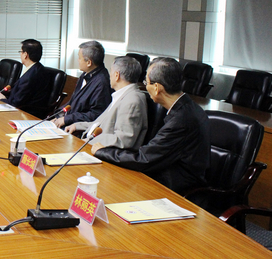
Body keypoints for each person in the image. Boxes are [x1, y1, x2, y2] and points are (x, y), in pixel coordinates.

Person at [92, 57, 210, 193]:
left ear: (156, 88)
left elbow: (145, 159)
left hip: (175, 188)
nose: (145, 87)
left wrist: (103, 151)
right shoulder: (188, 107)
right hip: (167, 175)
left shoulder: (181, 120)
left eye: (146, 82)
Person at [65, 56, 147, 149]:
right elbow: (100, 124)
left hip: (101, 151)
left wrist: (88, 142)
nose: (109, 76)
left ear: (117, 75)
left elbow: (123, 140)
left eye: (111, 72)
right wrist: (77, 126)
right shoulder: (122, 94)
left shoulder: (131, 101)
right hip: (92, 146)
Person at [54, 40, 111, 128]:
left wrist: (67, 119)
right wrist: (58, 116)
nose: (78, 60)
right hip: (70, 122)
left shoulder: (102, 83)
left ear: (89, 62)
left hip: (79, 128)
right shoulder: (86, 74)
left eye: (79, 58)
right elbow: (73, 102)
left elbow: (96, 114)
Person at [0, 39, 51, 118]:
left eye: (21, 52)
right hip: (23, 109)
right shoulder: (37, 68)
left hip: (26, 115)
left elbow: (16, 104)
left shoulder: (31, 76)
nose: (20, 54)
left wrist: (2, 99)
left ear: (25, 55)